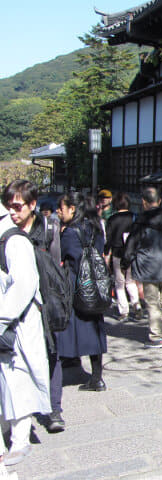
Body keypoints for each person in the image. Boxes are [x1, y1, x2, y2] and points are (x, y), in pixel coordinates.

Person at [2, 180, 64, 432]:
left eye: (18, 206)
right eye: (9, 206)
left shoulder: (47, 227)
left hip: (46, 300)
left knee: (51, 353)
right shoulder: (6, 231)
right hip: (20, 310)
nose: (13, 212)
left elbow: (57, 262)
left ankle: (53, 410)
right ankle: (21, 414)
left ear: (32, 205)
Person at [0, 201, 51, 466]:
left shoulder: (13, 242)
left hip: (15, 324)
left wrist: (1, 320)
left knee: (17, 381)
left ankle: (20, 439)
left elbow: (24, 285)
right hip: (9, 323)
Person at [121, 187, 162, 349]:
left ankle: (156, 336)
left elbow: (131, 244)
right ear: (159, 201)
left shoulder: (141, 221)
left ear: (144, 202)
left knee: (152, 302)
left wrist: (126, 263)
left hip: (148, 266)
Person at [56, 192, 109, 392]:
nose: (59, 211)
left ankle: (67, 361)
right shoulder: (95, 227)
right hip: (95, 284)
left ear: (72, 209)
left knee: (69, 327)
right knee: (95, 327)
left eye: (62, 207)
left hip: (75, 284)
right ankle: (97, 377)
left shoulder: (70, 232)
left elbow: (66, 256)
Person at [105, 192, 142, 321]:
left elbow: (108, 240)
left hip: (117, 253)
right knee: (131, 281)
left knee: (119, 283)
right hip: (132, 253)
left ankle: (124, 311)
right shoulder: (135, 217)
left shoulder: (112, 219)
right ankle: (136, 305)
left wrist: (106, 254)